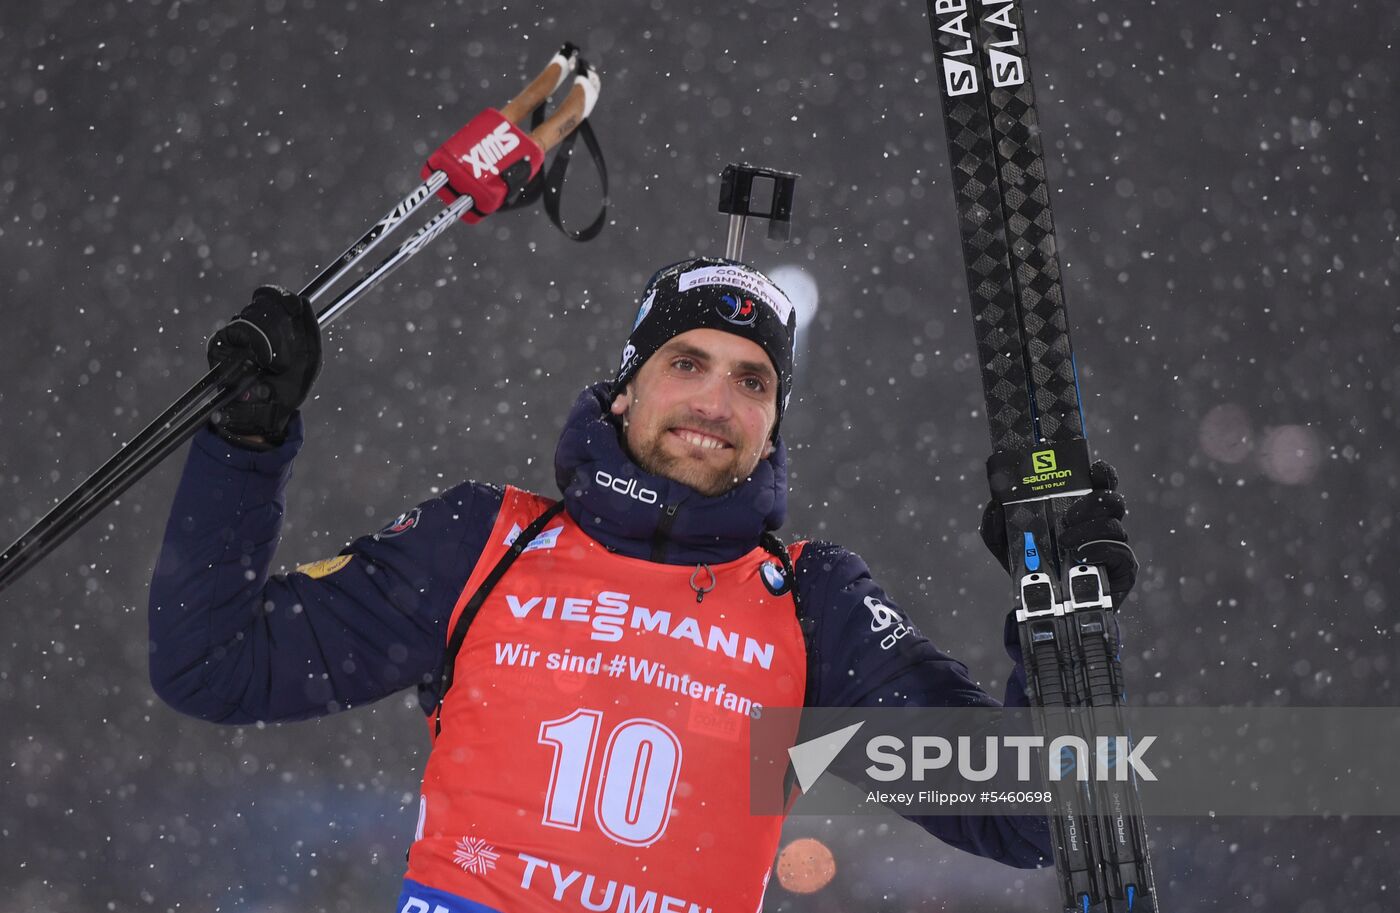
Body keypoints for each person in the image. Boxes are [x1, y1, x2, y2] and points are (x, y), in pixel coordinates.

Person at [148, 258, 1137, 913]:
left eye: (753, 381)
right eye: (687, 362)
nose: (714, 399)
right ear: (627, 386)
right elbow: (212, 663)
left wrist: (1057, 612)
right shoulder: (486, 543)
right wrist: (244, 443)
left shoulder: (806, 607)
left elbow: (1024, 814)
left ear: (772, 424)